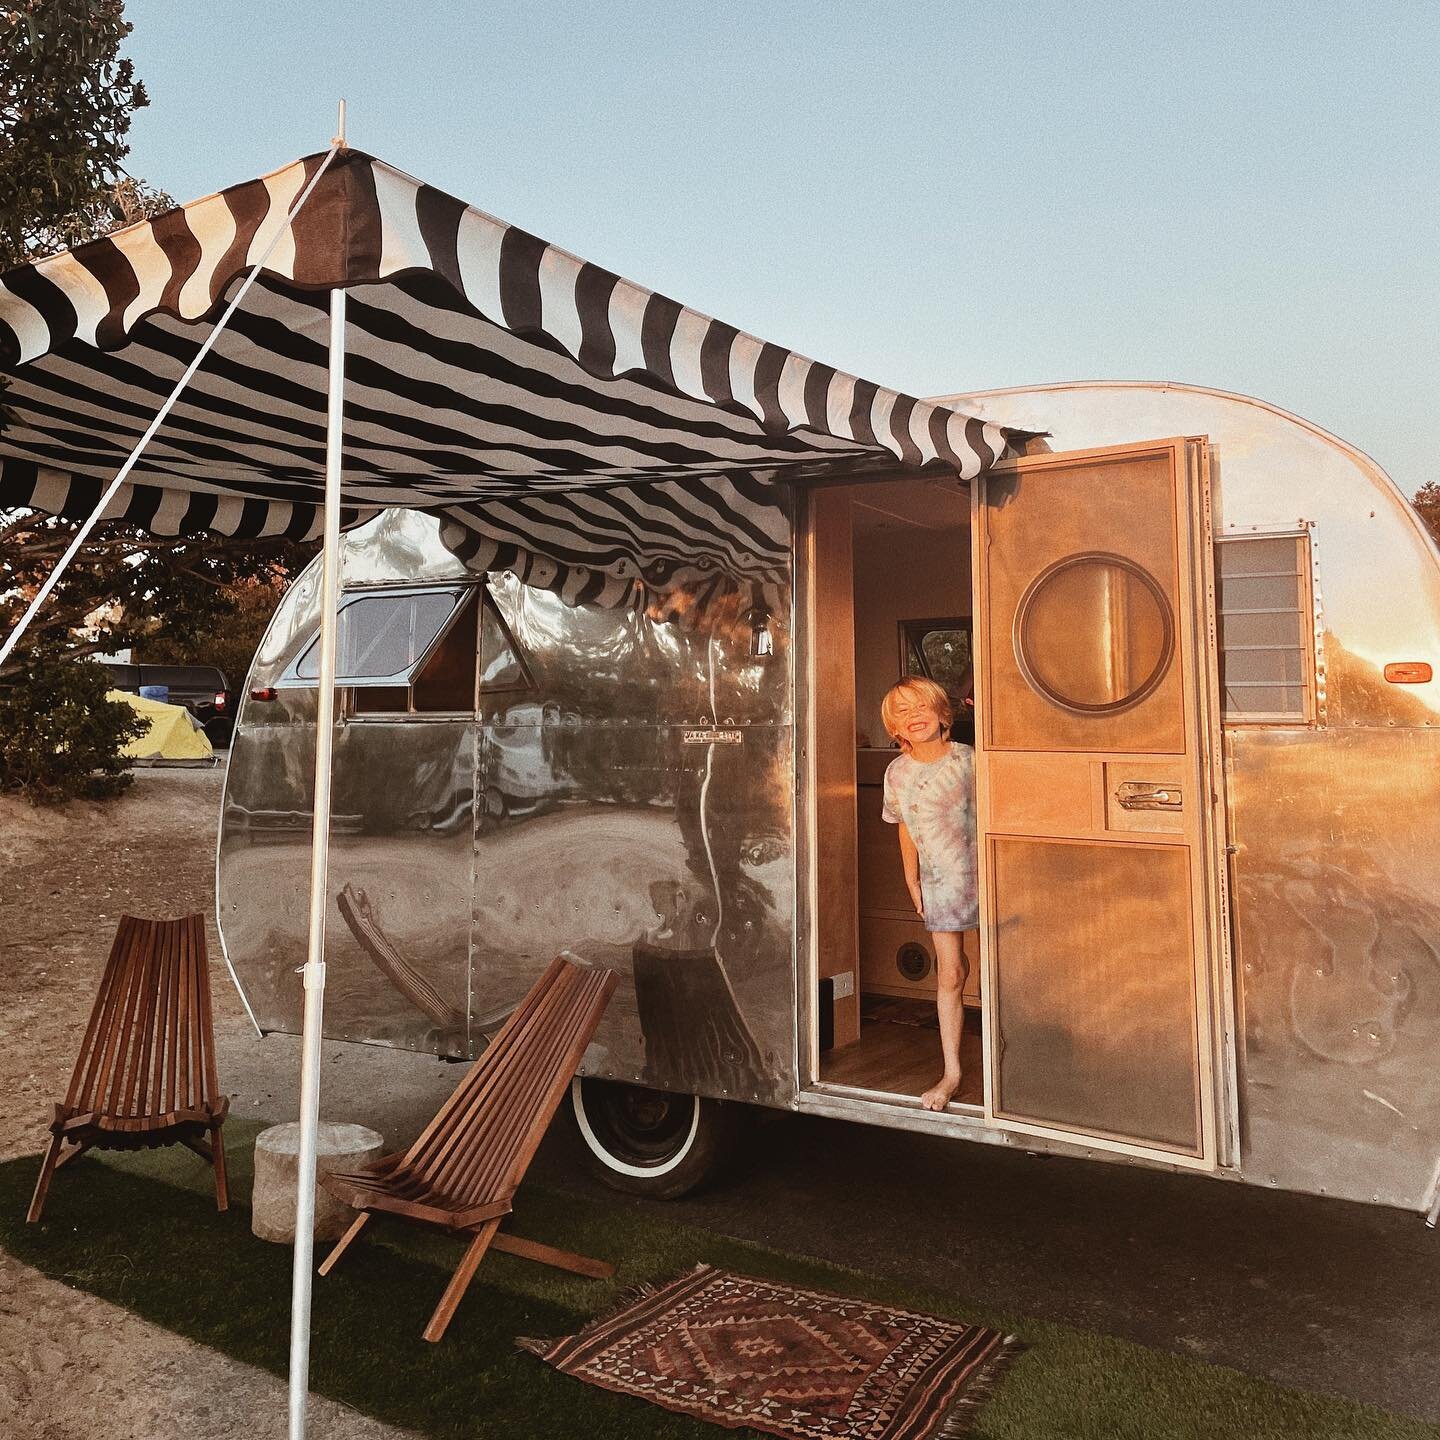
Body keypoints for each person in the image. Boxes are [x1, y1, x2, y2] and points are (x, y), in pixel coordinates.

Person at [879, 676, 979, 1110]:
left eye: (921, 706)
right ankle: (952, 1073)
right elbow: (904, 827)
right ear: (894, 728)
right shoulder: (897, 773)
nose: (913, 716)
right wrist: (911, 878)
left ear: (943, 715)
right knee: (951, 973)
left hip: (987, 877)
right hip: (940, 883)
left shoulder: (970, 760)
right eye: (902, 711)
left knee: (1002, 977)